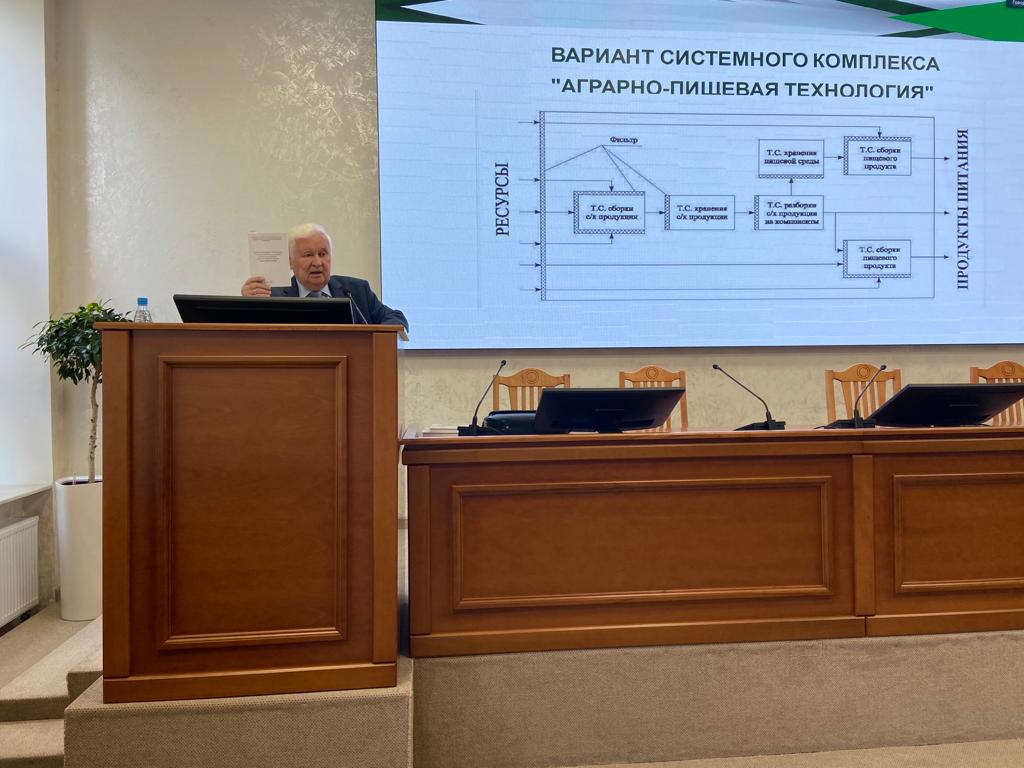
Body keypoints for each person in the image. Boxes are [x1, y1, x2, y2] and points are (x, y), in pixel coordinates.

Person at [241, 223, 408, 330]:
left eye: (323, 254)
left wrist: (375, 336)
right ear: (290, 262)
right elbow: (251, 335)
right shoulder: (272, 296)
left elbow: (396, 318)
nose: (317, 262)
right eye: (308, 255)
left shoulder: (356, 290)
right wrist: (248, 306)